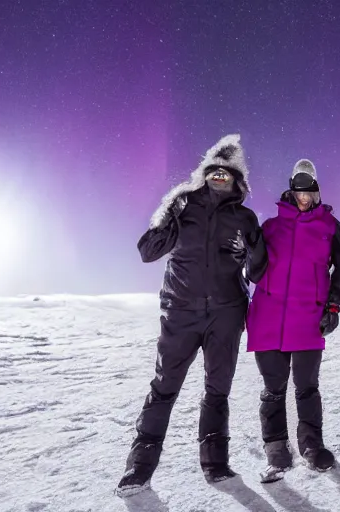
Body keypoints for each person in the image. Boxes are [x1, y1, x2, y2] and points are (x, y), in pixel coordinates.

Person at [116, 134, 267, 496]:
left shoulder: (244, 217)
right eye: (214, 172)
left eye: (226, 174)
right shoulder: (183, 206)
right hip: (180, 312)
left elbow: (258, 271)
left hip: (227, 314)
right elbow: (148, 251)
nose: (219, 179)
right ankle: (139, 468)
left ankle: (216, 464)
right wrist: (167, 213)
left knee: (217, 391)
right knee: (164, 388)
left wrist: (251, 247)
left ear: (237, 179)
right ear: (204, 173)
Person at [246, 159, 340, 481]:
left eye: (309, 190)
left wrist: (333, 305)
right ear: (291, 189)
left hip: (308, 318)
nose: (304, 197)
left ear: (316, 190)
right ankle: (276, 447)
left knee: (307, 387)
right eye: (299, 190)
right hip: (269, 318)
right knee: (274, 388)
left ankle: (311, 445)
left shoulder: (330, 226)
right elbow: (254, 270)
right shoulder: (271, 227)